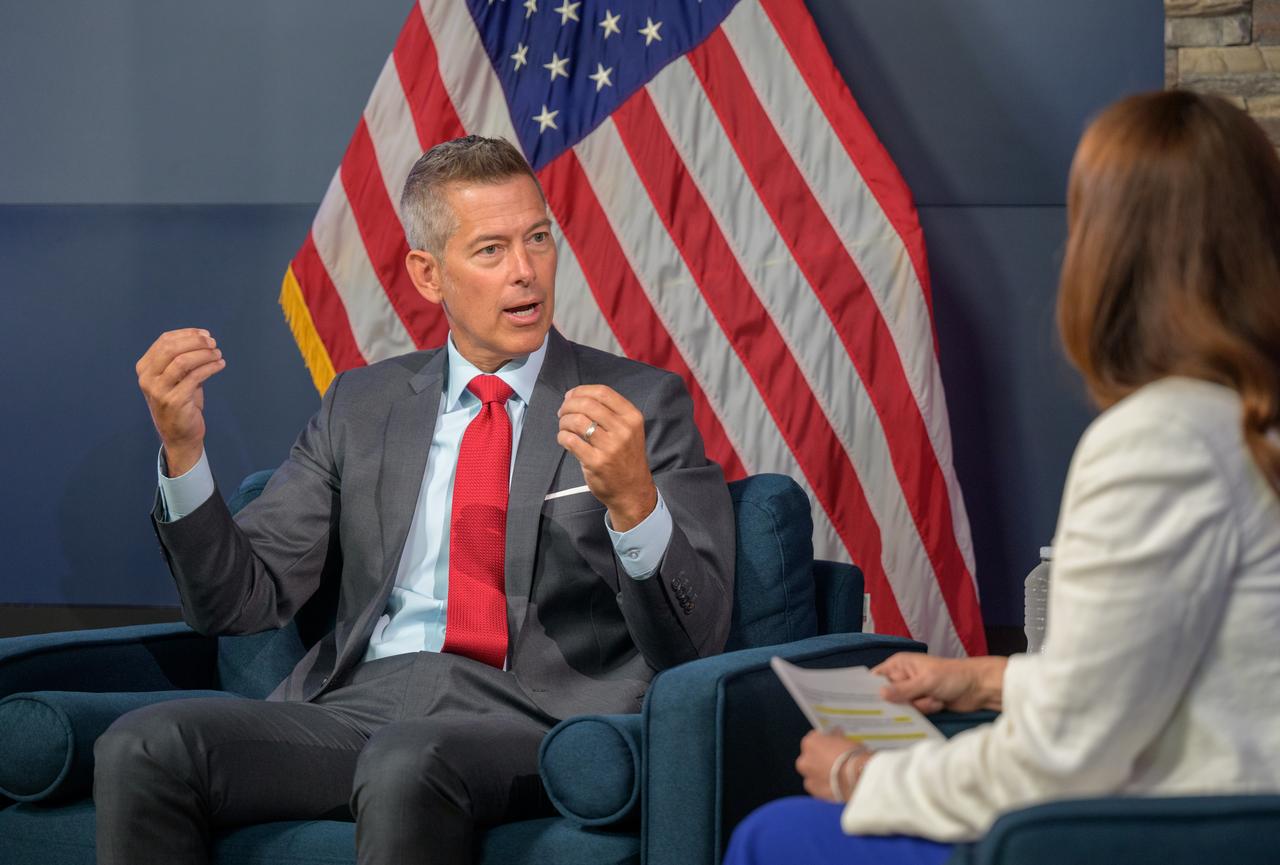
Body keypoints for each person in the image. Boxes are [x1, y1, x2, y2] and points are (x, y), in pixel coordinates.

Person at [96, 135, 735, 865]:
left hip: (529, 715)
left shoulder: (640, 402)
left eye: (537, 239)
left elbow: (696, 640)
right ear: (429, 275)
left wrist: (634, 502)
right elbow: (237, 601)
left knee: (406, 759)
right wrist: (183, 455)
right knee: (144, 744)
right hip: (359, 706)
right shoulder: (361, 406)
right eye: (491, 250)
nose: (526, 271)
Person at [724, 89, 1280, 864]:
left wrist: (866, 776)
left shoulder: (1162, 440)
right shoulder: (1247, 423)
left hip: (1160, 837)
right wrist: (984, 680)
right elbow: (1178, 674)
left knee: (773, 834)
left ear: (1107, 254)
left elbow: (1063, 754)